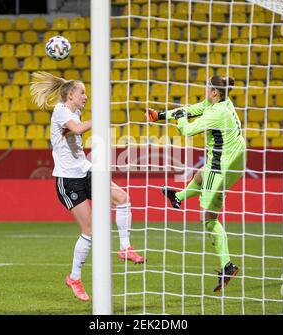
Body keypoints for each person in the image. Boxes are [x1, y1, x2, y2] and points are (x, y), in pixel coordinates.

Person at [30, 71, 145, 302]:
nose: (85, 96)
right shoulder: (61, 110)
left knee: (123, 198)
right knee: (90, 231)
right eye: (82, 92)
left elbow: (76, 129)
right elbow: (79, 129)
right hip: (68, 179)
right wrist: (101, 118)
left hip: (86, 170)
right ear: (70, 94)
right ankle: (74, 277)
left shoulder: (76, 111)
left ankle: (125, 247)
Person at [146, 76, 246, 292]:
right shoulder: (222, 103)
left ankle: (227, 265)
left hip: (221, 168)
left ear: (214, 93)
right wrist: (161, 115)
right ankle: (177, 197)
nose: (205, 91)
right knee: (200, 176)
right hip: (235, 161)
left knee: (209, 219)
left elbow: (187, 130)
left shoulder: (216, 113)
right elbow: (190, 109)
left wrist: (180, 120)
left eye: (207, 88)